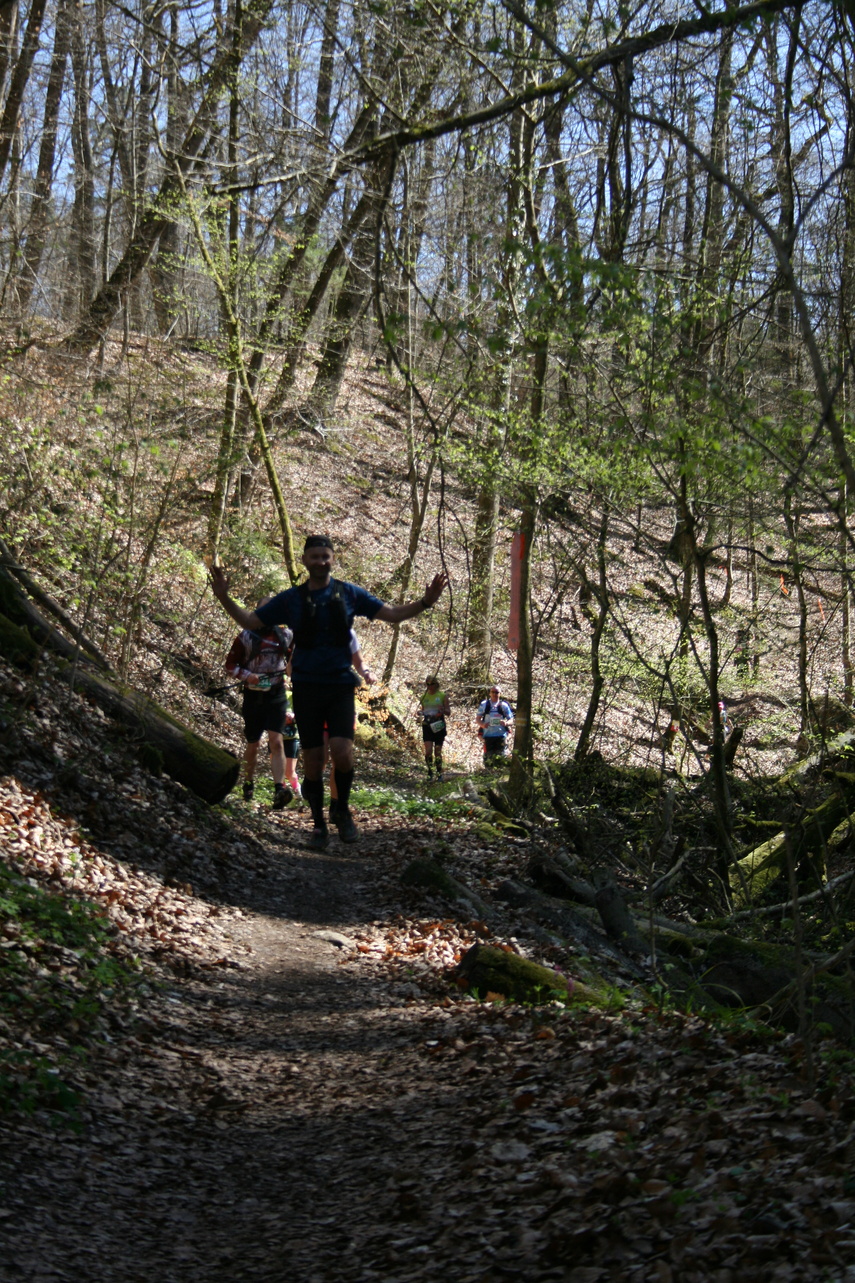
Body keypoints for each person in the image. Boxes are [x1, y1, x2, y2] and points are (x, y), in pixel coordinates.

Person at [210, 536, 447, 848]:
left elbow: (390, 614)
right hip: (307, 687)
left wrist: (426, 602)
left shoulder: (348, 593)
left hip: (339, 685)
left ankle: (341, 810)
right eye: (315, 556)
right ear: (305, 560)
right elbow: (251, 620)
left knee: (343, 752)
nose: (321, 561)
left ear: (332, 559)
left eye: (326, 556)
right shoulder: (291, 599)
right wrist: (224, 597)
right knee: (314, 758)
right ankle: (319, 824)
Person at [224, 598, 294, 809]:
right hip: (253, 697)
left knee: (277, 741)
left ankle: (279, 789)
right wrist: (248, 676)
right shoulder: (246, 637)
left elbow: (292, 661)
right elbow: (229, 665)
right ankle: (248, 782)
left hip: (276, 694)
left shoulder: (286, 635)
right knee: (253, 743)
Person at [417, 676, 450, 782]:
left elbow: (448, 712)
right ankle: (430, 772)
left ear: (436, 684)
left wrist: (443, 710)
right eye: (428, 684)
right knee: (428, 751)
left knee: (437, 752)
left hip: (439, 725)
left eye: (432, 684)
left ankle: (439, 773)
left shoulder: (442, 696)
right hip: (427, 725)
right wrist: (420, 714)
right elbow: (423, 711)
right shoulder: (423, 697)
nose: (430, 686)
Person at [477, 685, 514, 766]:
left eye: (496, 692)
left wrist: (506, 723)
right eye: (492, 692)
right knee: (488, 760)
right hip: (488, 736)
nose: (494, 694)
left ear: (500, 694)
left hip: (501, 736)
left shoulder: (503, 705)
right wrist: (482, 725)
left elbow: (511, 720)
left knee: (501, 759)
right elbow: (478, 719)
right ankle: (488, 776)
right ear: (489, 693)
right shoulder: (484, 705)